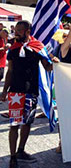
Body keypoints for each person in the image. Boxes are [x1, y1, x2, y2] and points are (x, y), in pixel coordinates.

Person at [0, 21, 57, 168]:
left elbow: (47, 67)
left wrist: (56, 64)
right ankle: (13, 157)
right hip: (16, 92)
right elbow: (10, 71)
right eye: (16, 30)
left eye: (19, 30)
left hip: (31, 91)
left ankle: (21, 151)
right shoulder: (13, 48)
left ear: (27, 31)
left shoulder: (38, 47)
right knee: (14, 124)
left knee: (27, 123)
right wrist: (4, 91)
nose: (16, 33)